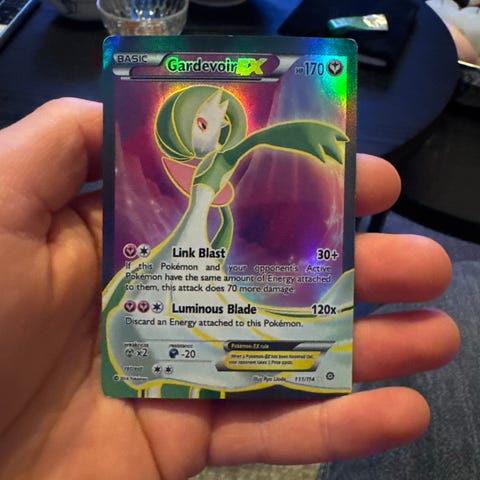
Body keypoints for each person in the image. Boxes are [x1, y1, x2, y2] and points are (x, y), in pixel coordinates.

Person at [0, 98, 460, 480]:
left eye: (222, 129)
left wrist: (275, 142)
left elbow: (228, 177)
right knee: (165, 314)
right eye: (206, 125)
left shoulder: (216, 169)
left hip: (194, 257)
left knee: (226, 323)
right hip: (179, 259)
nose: (216, 137)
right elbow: (216, 182)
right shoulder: (186, 168)